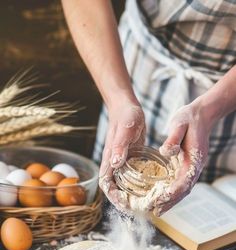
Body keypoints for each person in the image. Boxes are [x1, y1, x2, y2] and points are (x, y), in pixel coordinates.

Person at [62, 0, 236, 214]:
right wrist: (118, 100)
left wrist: (208, 111)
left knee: (214, 218)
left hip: (229, 97)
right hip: (128, 68)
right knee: (117, 187)